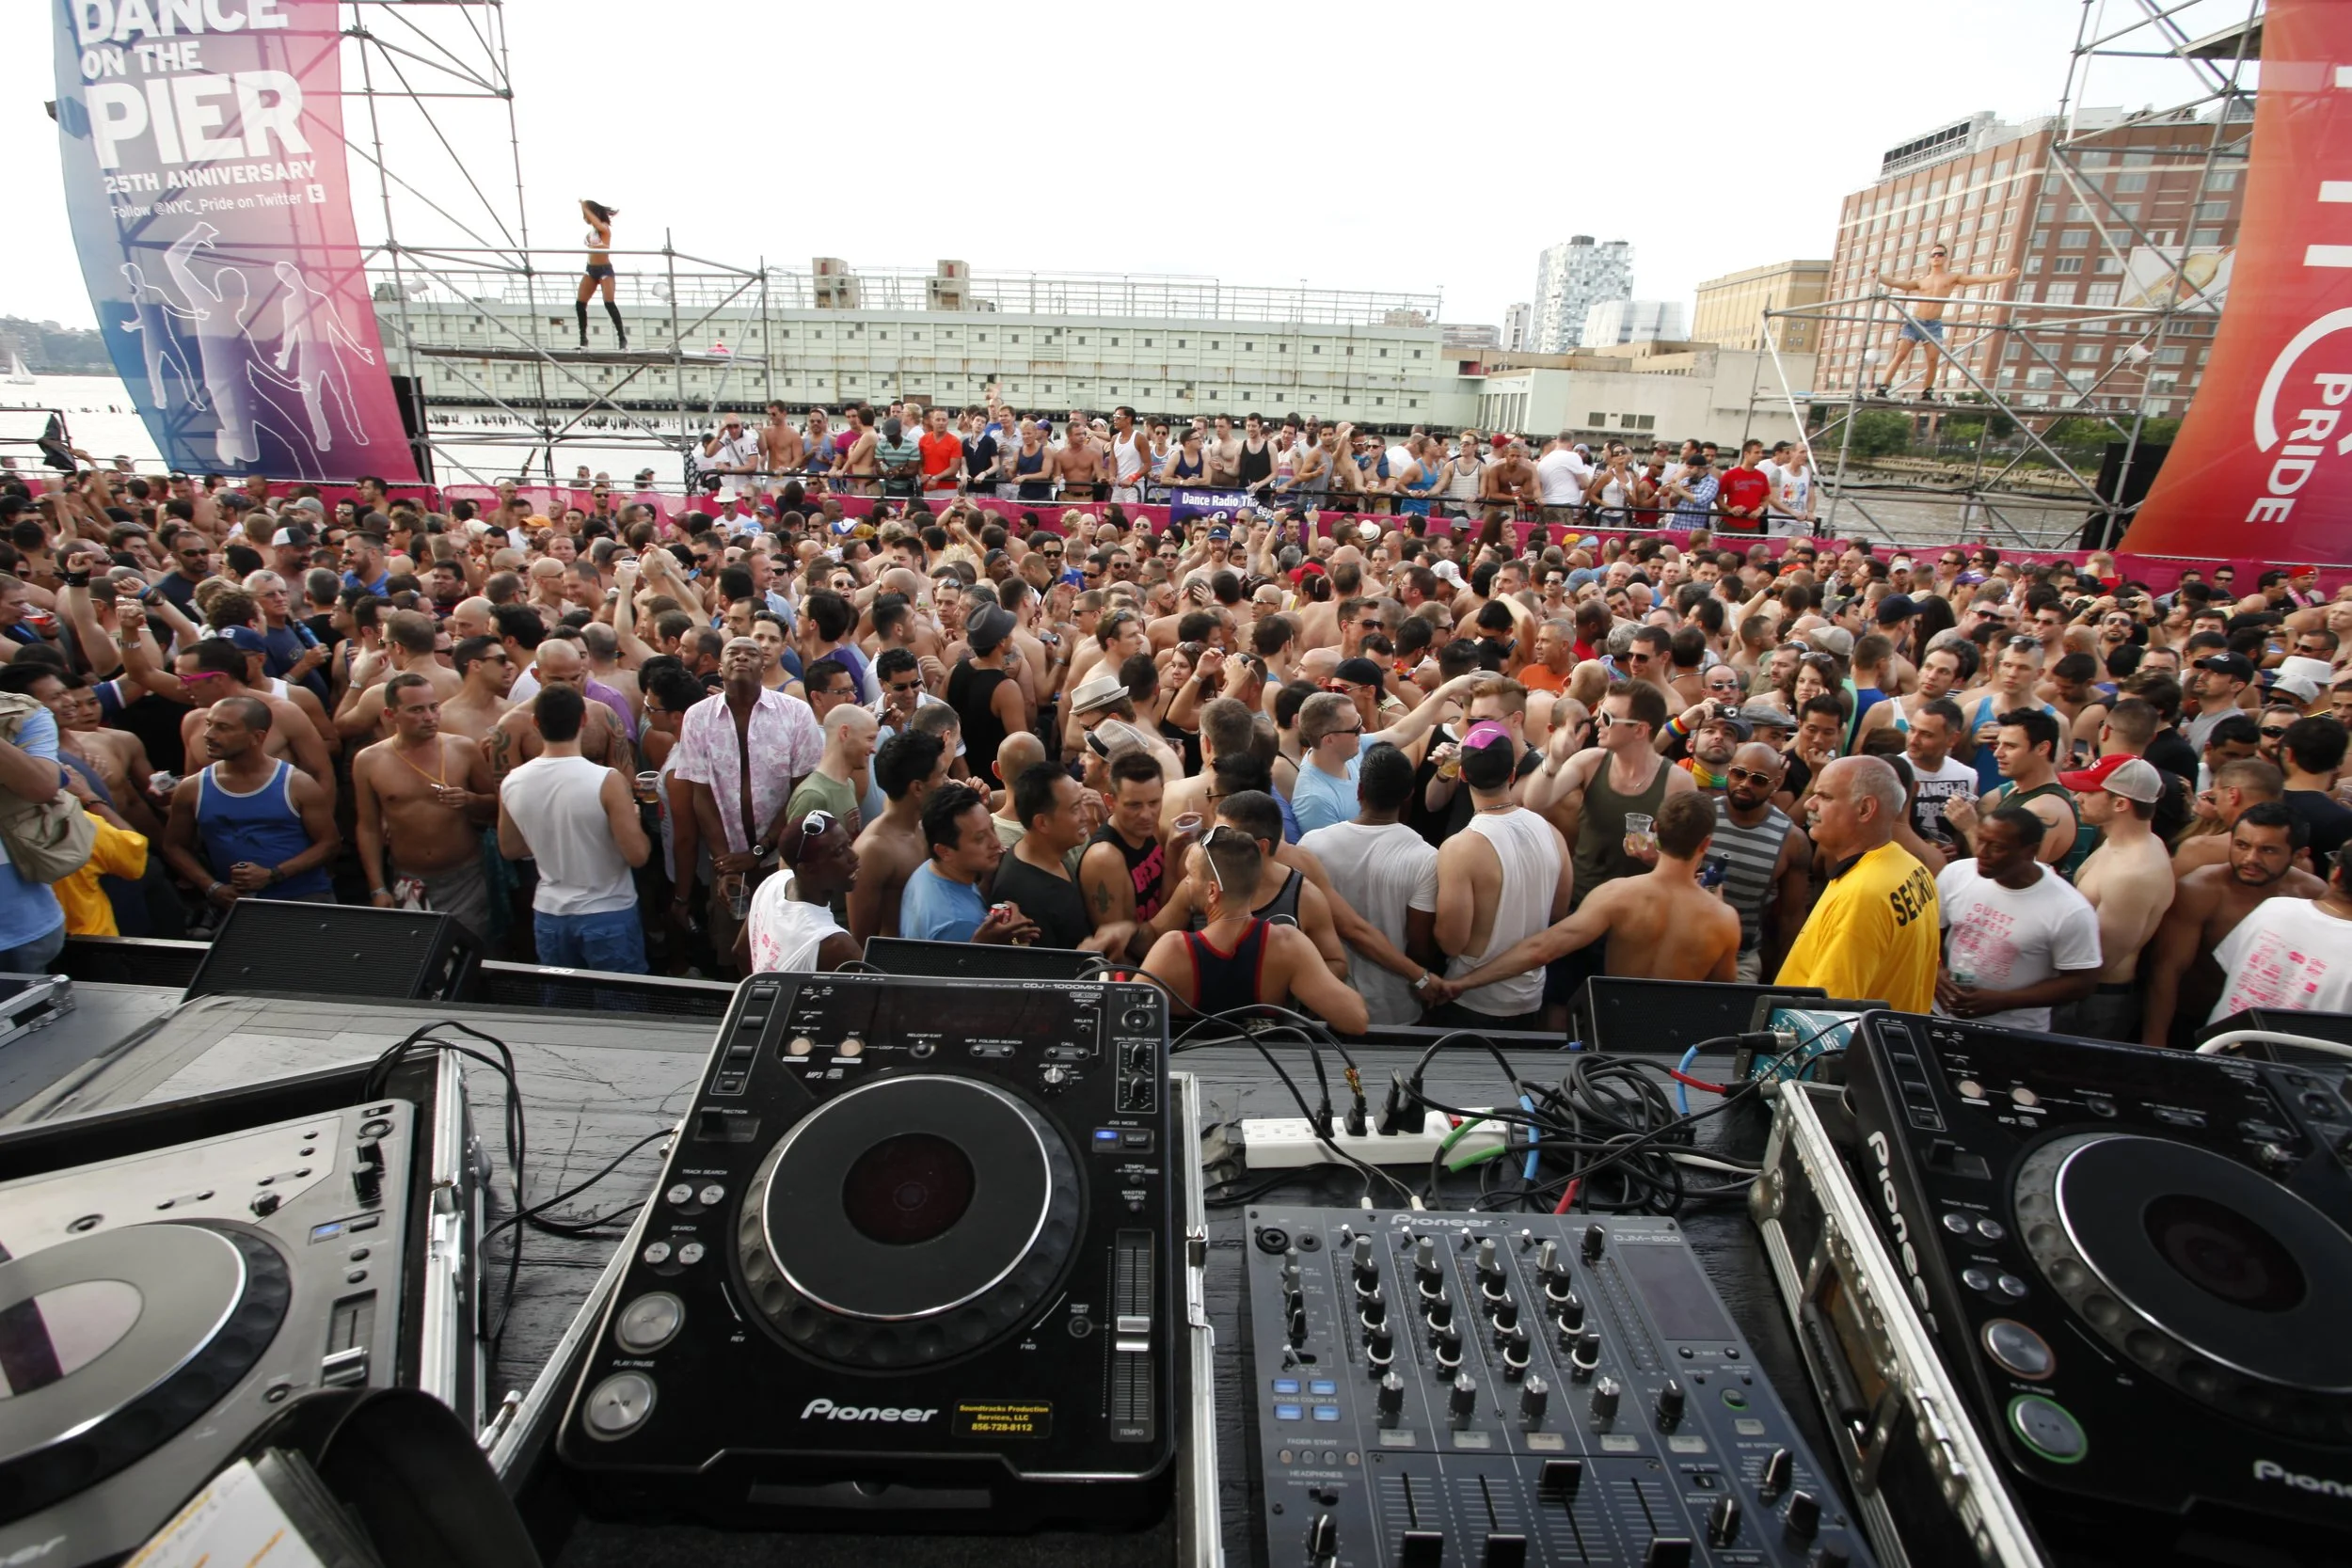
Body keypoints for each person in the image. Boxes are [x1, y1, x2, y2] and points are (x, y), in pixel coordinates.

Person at [1437, 791, 1740, 996]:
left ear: (1657, 830)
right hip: (1673, 1046)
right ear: (1706, 844)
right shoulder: (1724, 919)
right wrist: (1714, 905)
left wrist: (1462, 983)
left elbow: (1542, 949)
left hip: (1613, 1030)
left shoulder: (1618, 895)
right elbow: (1724, 994)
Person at [666, 635, 822, 957]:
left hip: (781, 860)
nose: (741, 657)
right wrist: (726, 864)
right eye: (732, 653)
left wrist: (761, 849)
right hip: (729, 860)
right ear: (719, 668)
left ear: (764, 666)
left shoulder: (795, 713)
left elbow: (801, 792)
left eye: (751, 653)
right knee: (733, 949)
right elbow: (701, 795)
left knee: (780, 946)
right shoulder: (698, 717)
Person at [1139, 826, 1369, 1033]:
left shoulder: (1173, 951)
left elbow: (1125, 1023)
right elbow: (1355, 1020)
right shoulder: (1287, 946)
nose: (1187, 882)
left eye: (1191, 875)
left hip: (1192, 1064)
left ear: (1212, 891)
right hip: (1265, 1064)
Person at [2141, 803, 2326, 1048]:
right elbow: (2167, 970)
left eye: (2268, 850)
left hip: (2268, 1026)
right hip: (2191, 1019)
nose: (2250, 859)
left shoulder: (2312, 894)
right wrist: (2155, 1041)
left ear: (2299, 855)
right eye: (2242, 845)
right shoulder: (2201, 890)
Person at [497, 685, 650, 973]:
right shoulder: (607, 780)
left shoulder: (513, 781)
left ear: (536, 722)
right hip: (608, 912)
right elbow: (637, 855)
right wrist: (635, 820)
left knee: (564, 998)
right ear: (583, 720)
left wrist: (550, 834)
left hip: (550, 915)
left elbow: (510, 848)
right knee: (619, 998)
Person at [1431, 721, 1573, 1031]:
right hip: (1529, 997)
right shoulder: (1551, 833)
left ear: (1463, 775)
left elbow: (1451, 942)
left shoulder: (1459, 848)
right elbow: (1558, 912)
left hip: (1471, 1000)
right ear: (1512, 775)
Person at [1774, 755, 1939, 1010]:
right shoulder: (1914, 868)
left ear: (1865, 809)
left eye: (1825, 796)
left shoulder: (1863, 897)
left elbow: (1829, 1014)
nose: (1809, 803)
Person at [1299, 741, 1444, 1026]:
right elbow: (1419, 946)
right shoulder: (1426, 858)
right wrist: (1421, 977)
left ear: (1360, 790)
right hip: (1397, 1008)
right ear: (1409, 795)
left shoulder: (1312, 845)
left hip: (1327, 1005)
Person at [162, 695, 340, 914]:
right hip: (235, 905)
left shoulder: (297, 784)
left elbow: (329, 844)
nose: (208, 735)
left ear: (257, 737)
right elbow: (174, 846)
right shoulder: (193, 788)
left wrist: (273, 874)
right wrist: (212, 888)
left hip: (304, 900)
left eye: (223, 728)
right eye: (209, 724)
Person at [351, 673, 498, 938]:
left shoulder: (462, 749)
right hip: (409, 879)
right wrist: (378, 888)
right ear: (390, 714)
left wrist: (470, 800)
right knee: (418, 952)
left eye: (434, 707)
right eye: (416, 710)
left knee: (469, 949)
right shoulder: (368, 761)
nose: (429, 717)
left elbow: (496, 806)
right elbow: (368, 827)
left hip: (465, 878)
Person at [1933, 806, 2103, 1030]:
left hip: (2014, 1031)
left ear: (2029, 851)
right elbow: (1930, 932)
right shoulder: (1956, 874)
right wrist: (1936, 971)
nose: (1982, 852)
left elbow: (2082, 982)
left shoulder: (2071, 910)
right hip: (1939, 1016)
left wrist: (2004, 1001)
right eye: (1980, 840)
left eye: (1997, 847)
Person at [2057, 755, 2176, 1041]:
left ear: (2120, 804)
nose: (2077, 798)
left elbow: (2097, 961)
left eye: (2089, 792)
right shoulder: (2124, 841)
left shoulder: (2132, 874)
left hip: (2094, 999)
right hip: (2082, 989)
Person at [993, 761, 1131, 953]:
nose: (1085, 815)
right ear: (1042, 823)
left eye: (1082, 803)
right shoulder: (1022, 897)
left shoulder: (1052, 852)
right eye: (1075, 809)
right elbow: (1041, 969)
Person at [2208, 846, 2352, 1023]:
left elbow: (2231, 967)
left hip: (2220, 1038)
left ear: (2337, 873)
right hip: (2298, 1044)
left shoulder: (2274, 908)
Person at [1712, 742, 1811, 983]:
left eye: (1758, 779)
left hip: (1741, 957)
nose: (1745, 784)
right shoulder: (1702, 815)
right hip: (1687, 945)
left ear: (1776, 783)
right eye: (1739, 774)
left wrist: (1783, 980)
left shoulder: (1791, 840)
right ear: (1729, 771)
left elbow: (1791, 918)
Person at [1873, 242, 2017, 401]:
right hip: (1915, 322)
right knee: (1900, 354)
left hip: (1933, 324)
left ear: (1945, 258)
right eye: (1934, 254)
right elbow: (1897, 283)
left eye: (1940, 254)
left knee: (1933, 359)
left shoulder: (1952, 277)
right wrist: (1879, 276)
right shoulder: (1922, 281)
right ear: (1929, 259)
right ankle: (1883, 387)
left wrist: (2006, 276)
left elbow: (1979, 278)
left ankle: (1927, 391)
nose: (1936, 257)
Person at [899, 782, 1038, 944]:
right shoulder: (959, 924)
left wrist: (987, 881)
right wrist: (1012, 942)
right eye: (980, 838)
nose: (995, 842)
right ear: (944, 851)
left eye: (992, 829)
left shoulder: (929, 870)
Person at [846, 730, 947, 944]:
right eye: (941, 775)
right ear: (917, 787)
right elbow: (862, 942)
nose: (947, 782)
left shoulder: (925, 825)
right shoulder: (872, 850)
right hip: (899, 962)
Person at [1079, 750, 1180, 959]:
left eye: (1154, 802)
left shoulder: (1148, 827)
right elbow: (1116, 952)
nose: (1146, 814)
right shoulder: (1105, 859)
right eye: (1134, 805)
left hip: (1164, 948)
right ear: (1110, 802)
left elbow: (1161, 906)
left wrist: (1173, 852)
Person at [742, 809, 863, 973]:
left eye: (848, 844)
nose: (854, 856)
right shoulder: (836, 946)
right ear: (807, 870)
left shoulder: (772, 883)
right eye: (839, 852)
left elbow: (740, 951)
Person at [575, 199, 625, 350]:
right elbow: (590, 227)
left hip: (605, 270)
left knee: (609, 303)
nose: (585, 217)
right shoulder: (592, 231)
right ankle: (583, 339)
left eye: (587, 214)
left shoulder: (604, 228)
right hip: (591, 269)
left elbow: (597, 224)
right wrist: (584, 209)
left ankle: (622, 338)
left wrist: (585, 207)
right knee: (580, 303)